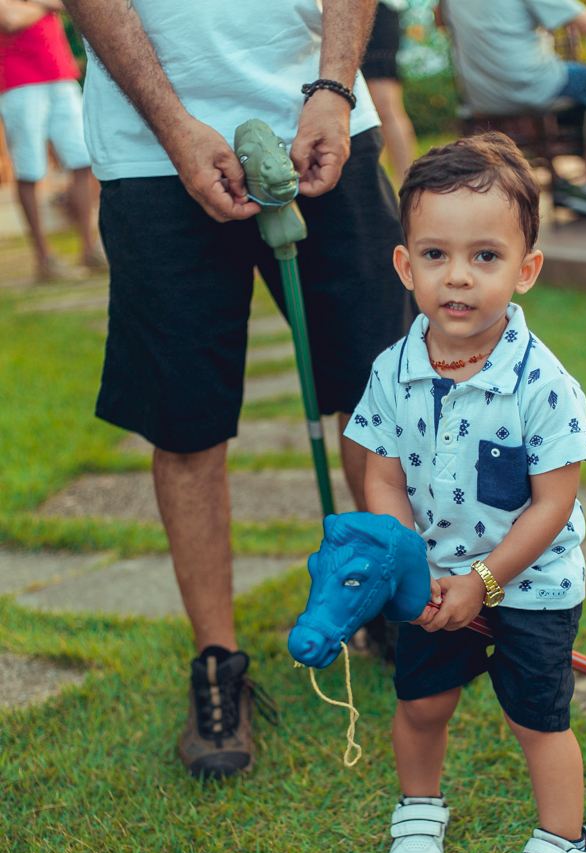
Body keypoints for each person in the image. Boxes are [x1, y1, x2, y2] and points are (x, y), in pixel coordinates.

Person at [59, 0, 414, 781]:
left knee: (383, 399)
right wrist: (176, 127)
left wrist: (335, 85)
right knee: (185, 425)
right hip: (154, 153)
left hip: (323, 119)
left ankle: (395, 604)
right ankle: (218, 665)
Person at [344, 133, 586, 853]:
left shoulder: (543, 384)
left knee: (537, 716)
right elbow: (381, 476)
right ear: (405, 266)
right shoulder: (393, 370)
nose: (458, 276)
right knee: (422, 702)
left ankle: (569, 846)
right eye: (436, 253)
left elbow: (551, 505)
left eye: (485, 255)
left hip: (530, 583)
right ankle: (420, 807)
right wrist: (408, 567)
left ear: (526, 268)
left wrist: (486, 581)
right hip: (431, 585)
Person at [440, 0, 586, 221]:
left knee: (580, 86)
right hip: (528, 84)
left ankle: (568, 181)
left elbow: (441, 21)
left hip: (480, 95)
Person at [0, 0, 104, 280]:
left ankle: (89, 247)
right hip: (19, 82)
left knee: (83, 159)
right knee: (29, 169)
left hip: (61, 74)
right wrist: (46, 5)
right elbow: (8, 18)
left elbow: (70, 4)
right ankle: (44, 260)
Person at [361, 0, 417, 183]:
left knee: (385, 106)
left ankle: (408, 184)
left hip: (376, 11)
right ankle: (377, 183)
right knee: (366, 109)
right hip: (339, 15)